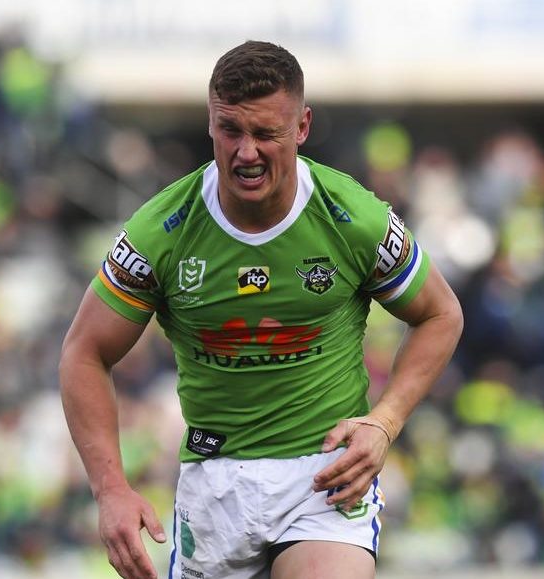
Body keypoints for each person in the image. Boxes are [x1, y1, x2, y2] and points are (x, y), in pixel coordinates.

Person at [59, 40, 463, 579]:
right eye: (230, 130)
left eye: (266, 133)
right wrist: (110, 489)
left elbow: (440, 314)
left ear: (302, 127)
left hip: (325, 474)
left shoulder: (353, 219)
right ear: (210, 122)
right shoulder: (160, 232)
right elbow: (85, 351)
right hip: (215, 482)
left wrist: (384, 423)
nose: (246, 152)